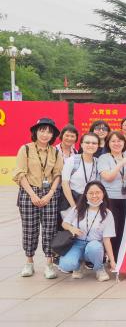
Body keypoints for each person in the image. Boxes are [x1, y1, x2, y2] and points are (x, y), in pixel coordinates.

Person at [14, 118, 63, 279]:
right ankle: (29, 262)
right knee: (30, 229)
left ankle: (49, 264)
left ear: (53, 135)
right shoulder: (26, 149)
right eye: (42, 130)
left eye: (49, 132)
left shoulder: (55, 152)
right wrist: (33, 195)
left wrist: (50, 194)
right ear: (35, 132)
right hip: (29, 192)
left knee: (50, 229)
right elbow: (20, 173)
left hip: (50, 193)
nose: (45, 134)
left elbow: (58, 174)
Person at [58, 181, 116, 282]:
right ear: (86, 194)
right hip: (77, 243)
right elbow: (64, 223)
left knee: (95, 247)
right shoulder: (77, 209)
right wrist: (72, 228)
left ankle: (99, 268)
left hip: (94, 244)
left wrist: (112, 261)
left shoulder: (107, 214)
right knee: (66, 265)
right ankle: (78, 266)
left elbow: (107, 240)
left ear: (103, 194)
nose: (94, 196)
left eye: (97, 193)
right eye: (91, 193)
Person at [97, 131, 126, 259]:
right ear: (108, 143)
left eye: (119, 141)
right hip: (110, 199)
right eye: (113, 141)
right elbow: (108, 177)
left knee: (124, 228)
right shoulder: (104, 158)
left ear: (124, 143)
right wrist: (121, 162)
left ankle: (120, 257)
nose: (117, 143)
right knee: (112, 229)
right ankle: (110, 258)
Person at [61, 132, 101, 213]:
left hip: (90, 202)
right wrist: (74, 206)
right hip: (71, 203)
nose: (90, 145)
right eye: (87, 142)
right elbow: (65, 184)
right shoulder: (72, 160)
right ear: (82, 144)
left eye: (94, 143)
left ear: (98, 146)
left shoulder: (98, 162)